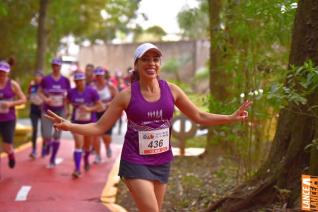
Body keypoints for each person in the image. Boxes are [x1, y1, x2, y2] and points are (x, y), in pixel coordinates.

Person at [45, 43, 251, 212]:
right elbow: (100, 127)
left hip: (162, 160)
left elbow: (198, 115)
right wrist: (70, 126)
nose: (151, 63)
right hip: (135, 160)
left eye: (155, 59)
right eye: (145, 59)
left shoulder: (172, 90)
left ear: (159, 64)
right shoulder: (126, 96)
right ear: (136, 64)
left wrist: (230, 117)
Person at [66, 71, 103, 178]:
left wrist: (89, 109)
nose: (79, 83)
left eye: (81, 81)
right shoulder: (71, 92)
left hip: (90, 123)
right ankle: (77, 169)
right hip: (76, 123)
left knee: (87, 146)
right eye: (77, 81)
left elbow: (100, 106)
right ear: (75, 82)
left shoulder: (92, 91)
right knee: (78, 144)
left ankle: (86, 159)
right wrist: (67, 110)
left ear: (84, 81)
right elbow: (66, 101)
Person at [39, 57, 71, 168]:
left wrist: (67, 109)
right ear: (52, 66)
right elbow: (40, 92)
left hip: (60, 111)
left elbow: (68, 96)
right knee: (47, 135)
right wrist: (45, 99)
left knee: (57, 136)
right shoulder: (46, 79)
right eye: (54, 65)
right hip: (47, 110)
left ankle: (52, 159)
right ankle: (47, 144)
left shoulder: (65, 80)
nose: (56, 67)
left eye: (58, 65)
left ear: (60, 66)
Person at [0, 61, 26, 168]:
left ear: (8, 73)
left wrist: (11, 103)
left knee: (7, 147)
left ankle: (10, 154)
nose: (1, 74)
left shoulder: (13, 84)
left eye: (4, 72)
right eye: (0, 72)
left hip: (8, 119)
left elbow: (23, 99)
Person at [91, 67, 117, 163]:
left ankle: (108, 146)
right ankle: (98, 156)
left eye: (100, 76)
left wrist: (106, 104)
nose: (99, 78)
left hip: (107, 113)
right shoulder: (92, 87)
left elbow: (117, 99)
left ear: (104, 75)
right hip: (95, 113)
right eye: (97, 76)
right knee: (96, 135)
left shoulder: (110, 86)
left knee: (106, 136)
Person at [28, 71, 44, 159]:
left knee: (43, 130)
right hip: (33, 111)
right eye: (36, 76)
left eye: (39, 76)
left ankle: (44, 148)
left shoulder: (44, 87)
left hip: (42, 111)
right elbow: (28, 96)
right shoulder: (32, 86)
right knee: (34, 129)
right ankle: (34, 150)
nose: (37, 78)